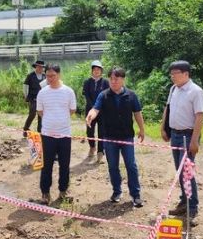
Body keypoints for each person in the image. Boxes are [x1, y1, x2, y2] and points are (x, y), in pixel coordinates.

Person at [86, 67, 145, 208]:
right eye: (111, 79)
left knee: (131, 165)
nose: (113, 81)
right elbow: (96, 108)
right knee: (113, 166)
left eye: (116, 79)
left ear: (123, 79)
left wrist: (142, 129)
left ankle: (135, 195)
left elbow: (137, 113)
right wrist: (91, 114)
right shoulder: (103, 95)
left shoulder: (131, 95)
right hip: (109, 137)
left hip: (126, 137)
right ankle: (116, 192)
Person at [160, 60, 203, 222]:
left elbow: (200, 116)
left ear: (186, 74)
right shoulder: (174, 89)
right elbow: (168, 108)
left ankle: (192, 207)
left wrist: (195, 141)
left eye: (175, 74)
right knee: (179, 171)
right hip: (175, 134)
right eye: (171, 74)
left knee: (187, 172)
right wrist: (163, 128)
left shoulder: (196, 91)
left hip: (188, 136)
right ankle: (184, 201)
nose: (172, 77)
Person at [36, 64, 77, 205]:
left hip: (65, 135)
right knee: (46, 165)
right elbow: (40, 112)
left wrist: (60, 120)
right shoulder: (42, 93)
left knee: (64, 165)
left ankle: (63, 191)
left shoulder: (68, 92)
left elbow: (72, 110)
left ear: (59, 75)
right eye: (47, 76)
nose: (50, 78)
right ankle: (45, 193)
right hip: (47, 135)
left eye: (53, 75)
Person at [82, 60, 109, 162]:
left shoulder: (106, 82)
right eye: (95, 69)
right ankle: (92, 147)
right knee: (89, 131)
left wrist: (100, 107)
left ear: (101, 71)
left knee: (102, 132)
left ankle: (101, 152)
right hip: (90, 110)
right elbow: (87, 96)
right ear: (92, 71)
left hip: (103, 112)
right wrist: (93, 107)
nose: (96, 71)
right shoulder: (87, 82)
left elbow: (107, 96)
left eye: (98, 69)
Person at [22, 60, 46, 137]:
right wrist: (26, 96)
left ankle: (40, 131)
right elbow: (25, 86)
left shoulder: (44, 76)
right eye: (39, 67)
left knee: (41, 115)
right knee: (32, 114)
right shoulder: (30, 76)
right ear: (36, 67)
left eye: (42, 67)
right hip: (33, 98)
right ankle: (26, 129)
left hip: (42, 99)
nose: (40, 68)